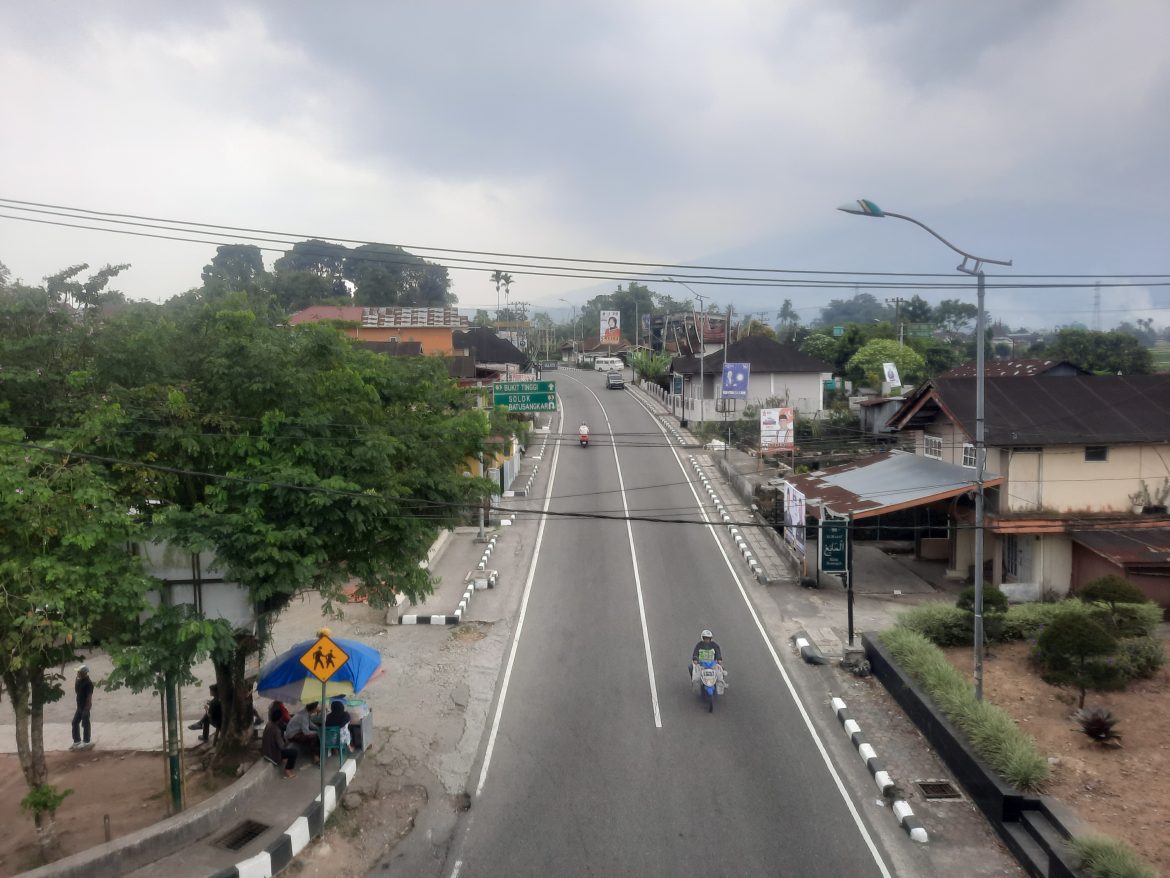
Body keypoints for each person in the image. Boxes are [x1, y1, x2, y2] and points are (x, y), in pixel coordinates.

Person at [261, 704, 298, 779]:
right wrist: (286, 741)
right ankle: (288, 771)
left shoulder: (268, 724)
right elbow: (281, 746)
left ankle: (284, 759)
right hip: (273, 756)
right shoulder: (276, 730)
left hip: (265, 752)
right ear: (279, 719)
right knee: (294, 752)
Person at [70, 665, 94, 750]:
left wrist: (86, 709)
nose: (77, 673)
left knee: (85, 724)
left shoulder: (88, 683)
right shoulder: (80, 681)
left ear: (84, 673)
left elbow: (89, 697)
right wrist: (76, 681)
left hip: (85, 707)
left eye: (79, 672)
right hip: (79, 707)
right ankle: (77, 741)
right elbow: (77, 691)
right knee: (74, 722)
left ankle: (86, 742)